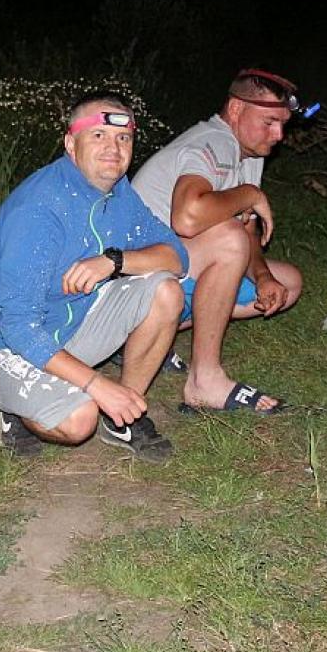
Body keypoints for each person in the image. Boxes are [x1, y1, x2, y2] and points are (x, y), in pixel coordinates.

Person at [0, 91, 189, 462]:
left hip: (68, 323)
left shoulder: (119, 192)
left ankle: (122, 416)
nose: (113, 148)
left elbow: (176, 257)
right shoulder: (39, 209)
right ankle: (11, 403)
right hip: (0, 346)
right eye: (98, 136)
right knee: (80, 419)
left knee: (166, 290)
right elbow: (18, 328)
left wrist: (113, 261)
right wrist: (97, 384)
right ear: (71, 144)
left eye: (123, 137)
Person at [132, 69, 305, 413]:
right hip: (133, 279)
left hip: (174, 270)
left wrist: (262, 276)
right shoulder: (213, 142)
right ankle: (204, 381)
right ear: (236, 109)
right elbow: (188, 216)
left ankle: (147, 341)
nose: (279, 135)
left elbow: (247, 229)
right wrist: (250, 193)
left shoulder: (249, 154)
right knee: (228, 240)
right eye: (270, 122)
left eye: (283, 124)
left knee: (288, 282)